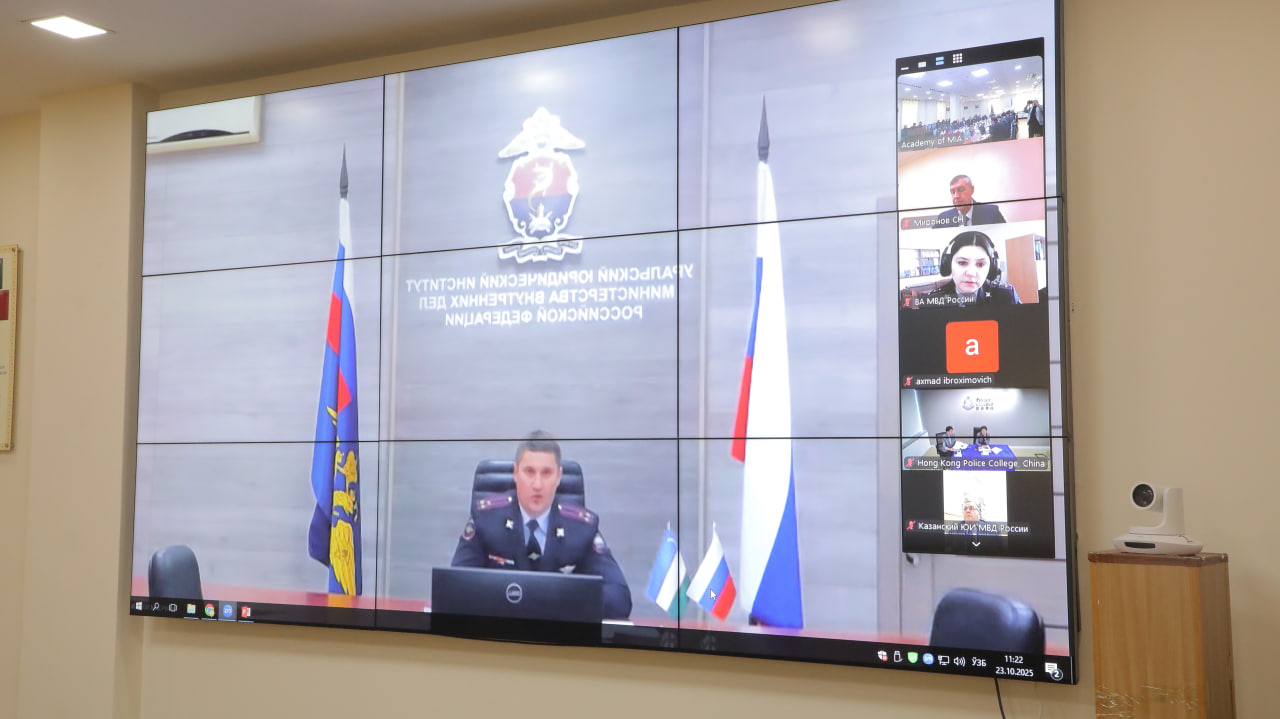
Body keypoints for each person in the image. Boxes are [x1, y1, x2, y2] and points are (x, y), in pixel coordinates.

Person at [451, 431, 632, 619]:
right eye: (529, 472)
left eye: (546, 473)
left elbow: (619, 599)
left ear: (559, 476)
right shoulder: (485, 519)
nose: (537, 484)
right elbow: (454, 588)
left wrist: (556, 601)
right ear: (515, 473)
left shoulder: (582, 528)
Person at [924, 230, 1021, 306]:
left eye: (981, 264)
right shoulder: (932, 300)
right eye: (962, 262)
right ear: (949, 264)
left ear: (991, 268)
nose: (971, 273)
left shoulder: (1007, 295)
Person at [935, 175, 1007, 228]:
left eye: (961, 190)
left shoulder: (992, 212)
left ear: (972, 190)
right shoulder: (944, 217)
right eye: (952, 192)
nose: (956, 196)